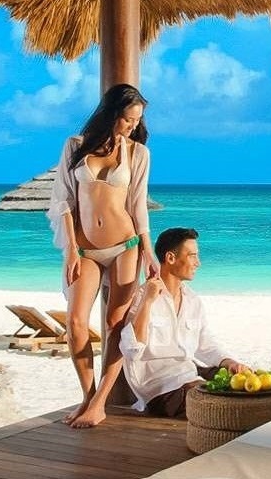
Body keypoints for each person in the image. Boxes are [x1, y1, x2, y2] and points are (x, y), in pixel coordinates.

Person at [47, 83, 161, 428]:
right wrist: (70, 251)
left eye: (135, 121)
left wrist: (149, 250)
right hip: (85, 249)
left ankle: (100, 403)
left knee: (116, 323)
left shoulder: (138, 154)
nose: (131, 126)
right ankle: (87, 393)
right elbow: (63, 201)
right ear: (111, 114)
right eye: (126, 120)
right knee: (76, 323)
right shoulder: (75, 146)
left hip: (125, 245)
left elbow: (138, 206)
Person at [121, 227, 250, 417]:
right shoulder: (143, 297)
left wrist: (228, 362)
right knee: (227, 406)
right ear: (171, 258)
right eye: (192, 256)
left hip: (190, 374)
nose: (198, 263)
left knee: (252, 383)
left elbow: (205, 345)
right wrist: (148, 301)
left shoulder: (192, 300)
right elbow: (131, 350)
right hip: (160, 388)